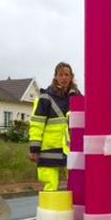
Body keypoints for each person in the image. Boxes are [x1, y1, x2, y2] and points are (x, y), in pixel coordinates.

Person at [29, 62, 81, 191]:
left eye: (66, 75)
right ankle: (49, 212)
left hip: (72, 148)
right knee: (50, 188)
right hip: (49, 148)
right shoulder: (45, 97)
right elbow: (37, 124)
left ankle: (74, 211)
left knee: (76, 187)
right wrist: (34, 149)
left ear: (71, 77)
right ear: (56, 77)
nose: (64, 78)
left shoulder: (78, 97)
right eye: (61, 75)